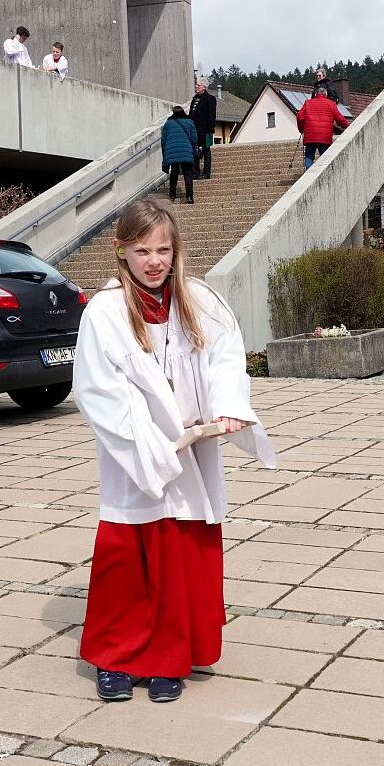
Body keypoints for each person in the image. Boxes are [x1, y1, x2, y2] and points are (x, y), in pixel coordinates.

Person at [73, 198, 275, 703]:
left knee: (183, 553)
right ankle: (115, 659)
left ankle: (172, 656)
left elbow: (227, 360)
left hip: (195, 451)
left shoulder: (200, 300)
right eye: (142, 250)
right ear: (121, 252)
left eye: (163, 249)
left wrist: (227, 408)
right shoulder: (105, 311)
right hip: (136, 455)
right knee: (128, 558)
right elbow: (98, 390)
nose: (155, 261)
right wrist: (155, 445)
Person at [296, 87, 350, 169]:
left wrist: (301, 129)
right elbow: (340, 119)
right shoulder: (331, 104)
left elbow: (300, 116)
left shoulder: (308, 103)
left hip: (310, 136)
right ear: (326, 94)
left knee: (309, 156)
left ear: (316, 94)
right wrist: (348, 126)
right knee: (325, 159)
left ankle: (308, 173)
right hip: (324, 137)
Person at [161, 105, 199, 204]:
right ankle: (189, 196)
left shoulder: (168, 124)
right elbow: (195, 139)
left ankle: (172, 194)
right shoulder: (190, 122)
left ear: (173, 113)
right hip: (186, 150)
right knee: (187, 173)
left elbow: (163, 141)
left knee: (174, 171)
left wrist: (165, 155)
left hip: (172, 151)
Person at [188, 77, 217, 179]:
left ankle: (206, 172)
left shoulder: (210, 99)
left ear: (204, 87)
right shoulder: (194, 99)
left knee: (206, 150)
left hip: (206, 130)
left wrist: (210, 129)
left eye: (198, 85)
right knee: (195, 150)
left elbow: (212, 116)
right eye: (196, 85)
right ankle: (195, 172)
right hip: (195, 130)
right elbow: (191, 114)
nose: (196, 87)